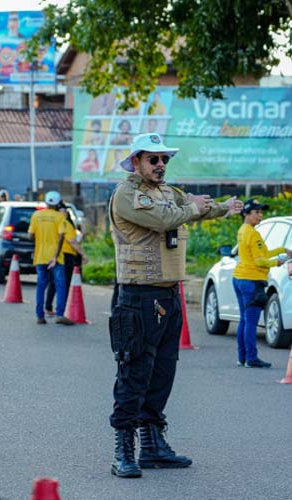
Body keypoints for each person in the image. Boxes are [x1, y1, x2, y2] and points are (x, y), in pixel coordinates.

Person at [108, 133, 242, 478]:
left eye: (164, 159)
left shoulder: (169, 193)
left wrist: (225, 207)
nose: (161, 165)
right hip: (138, 296)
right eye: (153, 159)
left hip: (169, 294)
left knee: (163, 372)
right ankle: (124, 449)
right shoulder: (128, 194)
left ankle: (152, 444)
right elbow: (166, 219)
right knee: (135, 372)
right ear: (136, 161)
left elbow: (195, 209)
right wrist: (193, 207)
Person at [232, 199, 292, 368]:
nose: (260, 215)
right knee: (251, 321)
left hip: (239, 278)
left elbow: (262, 253)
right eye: (256, 212)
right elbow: (260, 261)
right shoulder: (253, 233)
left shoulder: (243, 230)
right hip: (251, 280)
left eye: (261, 212)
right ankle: (251, 358)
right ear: (246, 214)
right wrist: (277, 262)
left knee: (244, 320)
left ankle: (242, 357)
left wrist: (281, 250)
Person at [28, 191, 72, 326]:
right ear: (58, 203)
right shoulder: (60, 217)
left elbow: (30, 235)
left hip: (40, 256)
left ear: (46, 202)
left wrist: (40, 241)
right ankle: (59, 314)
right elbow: (61, 237)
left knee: (41, 286)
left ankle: (40, 316)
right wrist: (55, 256)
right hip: (56, 258)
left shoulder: (36, 215)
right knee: (60, 285)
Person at [44, 201, 89, 316]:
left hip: (53, 255)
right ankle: (62, 310)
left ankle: (49, 307)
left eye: (65, 212)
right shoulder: (65, 224)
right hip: (65, 256)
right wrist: (83, 254)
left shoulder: (52, 223)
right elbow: (72, 241)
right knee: (64, 283)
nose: (64, 214)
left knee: (53, 282)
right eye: (62, 212)